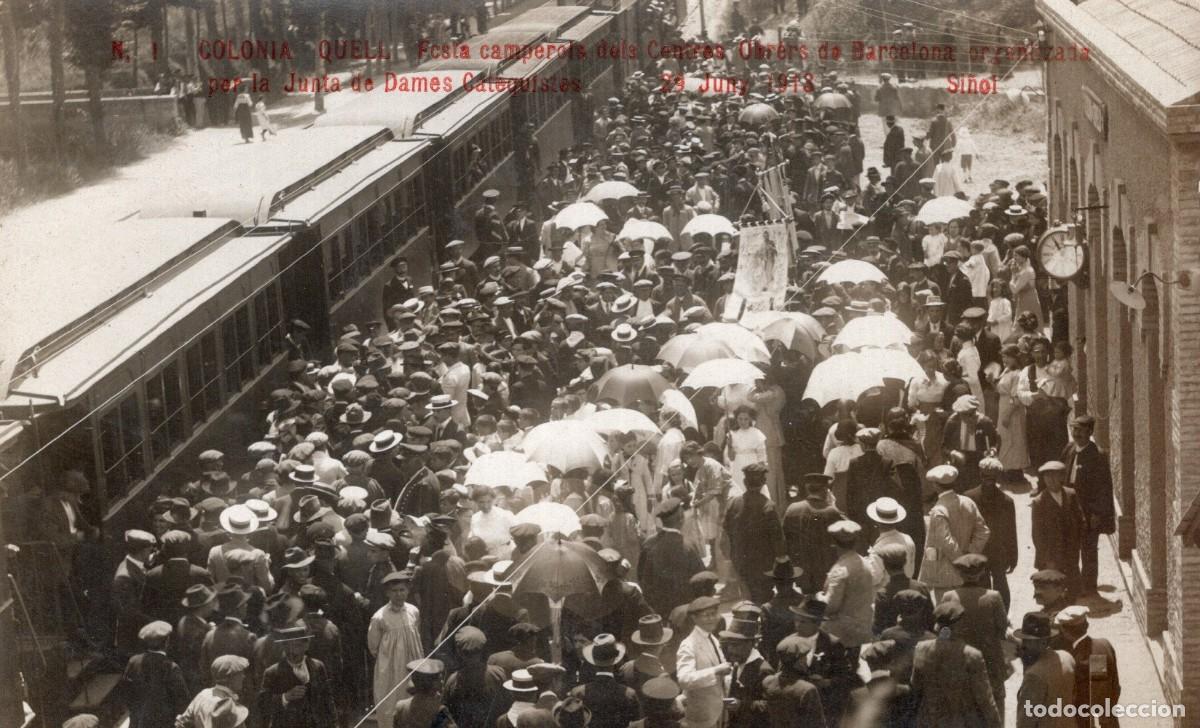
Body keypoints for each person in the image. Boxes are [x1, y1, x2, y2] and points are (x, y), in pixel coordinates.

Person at [911, 601, 1000, 728]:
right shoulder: (972, 655)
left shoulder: (921, 648)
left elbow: (916, 685)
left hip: (929, 720)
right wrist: (996, 724)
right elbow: (984, 699)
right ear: (960, 625)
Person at [942, 555, 1009, 718]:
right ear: (982, 573)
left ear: (959, 573)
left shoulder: (949, 596)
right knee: (994, 704)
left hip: (960, 658)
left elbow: (943, 630)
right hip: (990, 659)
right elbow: (1002, 629)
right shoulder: (993, 596)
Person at [1061, 415, 1115, 596]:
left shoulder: (1097, 455)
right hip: (1070, 509)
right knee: (1070, 547)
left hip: (1088, 511)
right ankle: (1074, 584)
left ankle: (1090, 586)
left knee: (1089, 549)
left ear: (1090, 432)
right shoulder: (1069, 449)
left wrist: (1097, 513)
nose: (1076, 434)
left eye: (1081, 431)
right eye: (1074, 430)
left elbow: (1104, 488)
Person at [918, 465, 990, 601]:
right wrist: (970, 553)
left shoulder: (938, 510)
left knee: (947, 613)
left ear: (936, 485)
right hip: (968, 574)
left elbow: (946, 541)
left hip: (945, 574)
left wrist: (961, 562)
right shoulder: (968, 502)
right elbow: (983, 532)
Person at [368, 571, 424, 728]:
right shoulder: (379, 617)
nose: (399, 594)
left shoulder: (413, 611)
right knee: (390, 699)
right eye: (394, 591)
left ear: (408, 590)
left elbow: (416, 633)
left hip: (412, 662)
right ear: (387, 593)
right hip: (390, 666)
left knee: (412, 696)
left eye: (402, 590)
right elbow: (373, 646)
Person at [722, 462, 784, 604]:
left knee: (747, 596)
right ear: (763, 482)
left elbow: (725, 532)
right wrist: (781, 558)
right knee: (764, 597)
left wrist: (732, 555)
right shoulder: (768, 506)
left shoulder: (733, 503)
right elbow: (778, 537)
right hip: (763, 563)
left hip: (741, 560)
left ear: (744, 482)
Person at [964, 457, 1018, 609]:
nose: (988, 480)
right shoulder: (970, 498)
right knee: (992, 585)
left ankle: (998, 616)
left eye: (991, 477)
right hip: (989, 551)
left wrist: (1013, 557)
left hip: (985, 551)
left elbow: (1010, 531)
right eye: (985, 476)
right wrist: (1013, 557)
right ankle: (996, 615)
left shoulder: (969, 497)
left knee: (994, 584)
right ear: (980, 475)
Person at [258, 626, 338, 728]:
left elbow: (328, 699)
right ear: (283, 647)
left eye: (297, 646)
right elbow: (263, 705)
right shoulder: (272, 672)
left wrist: (334, 724)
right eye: (287, 646)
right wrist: (285, 697)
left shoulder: (318, 666)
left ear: (306, 646)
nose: (291, 651)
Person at [1055, 606, 1121, 727]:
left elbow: (1095, 695)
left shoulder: (1077, 660)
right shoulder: (1104, 644)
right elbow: (1113, 687)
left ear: (1066, 632)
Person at [118, 621, 190, 728]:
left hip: (139, 720)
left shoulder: (134, 661)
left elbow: (126, 690)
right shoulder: (170, 667)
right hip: (163, 722)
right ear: (167, 642)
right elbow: (182, 699)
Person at [783, 474, 844, 595]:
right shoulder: (832, 512)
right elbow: (846, 535)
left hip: (801, 569)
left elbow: (785, 538)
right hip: (824, 570)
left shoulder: (792, 508)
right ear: (825, 490)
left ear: (807, 489)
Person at [1031, 461, 1085, 596]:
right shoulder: (1039, 502)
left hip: (1070, 555)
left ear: (1061, 477)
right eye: (1047, 477)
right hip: (1051, 558)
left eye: (1055, 476)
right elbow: (1037, 535)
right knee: (1052, 595)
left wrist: (1077, 544)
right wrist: (1047, 560)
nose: (1051, 481)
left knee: (1073, 592)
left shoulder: (1071, 494)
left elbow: (1080, 520)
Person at [675, 595, 731, 728]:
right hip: (702, 718)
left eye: (714, 614)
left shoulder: (712, 638)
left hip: (718, 711)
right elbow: (684, 679)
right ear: (695, 618)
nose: (712, 619)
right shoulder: (688, 645)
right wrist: (715, 671)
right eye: (706, 615)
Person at [820, 521, 876, 652]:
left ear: (834, 543)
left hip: (841, 633)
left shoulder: (840, 570)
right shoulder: (865, 563)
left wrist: (819, 597)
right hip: (862, 627)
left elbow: (831, 606)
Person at [1015, 611, 1076, 728]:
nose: (1024, 645)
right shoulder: (1066, 657)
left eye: (1027, 641)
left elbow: (1025, 722)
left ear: (1042, 642)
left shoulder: (1034, 675)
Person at [762, 634, 827, 728]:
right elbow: (818, 724)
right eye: (804, 657)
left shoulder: (767, 682)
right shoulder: (807, 689)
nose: (805, 661)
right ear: (798, 662)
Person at [175, 655, 251, 728]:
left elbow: (181, 723)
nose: (243, 676)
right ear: (229, 678)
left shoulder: (203, 694)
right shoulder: (225, 704)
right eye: (240, 673)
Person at [392, 659, 456, 728]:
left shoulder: (401, 706)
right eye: (439, 679)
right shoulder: (438, 710)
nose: (442, 682)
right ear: (433, 683)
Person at [725, 406, 767, 499]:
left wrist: (760, 471)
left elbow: (762, 456)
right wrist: (729, 445)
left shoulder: (757, 433)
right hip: (738, 466)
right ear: (736, 419)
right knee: (739, 490)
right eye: (740, 419)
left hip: (752, 464)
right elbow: (731, 457)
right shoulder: (732, 434)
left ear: (750, 419)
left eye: (746, 419)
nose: (743, 422)